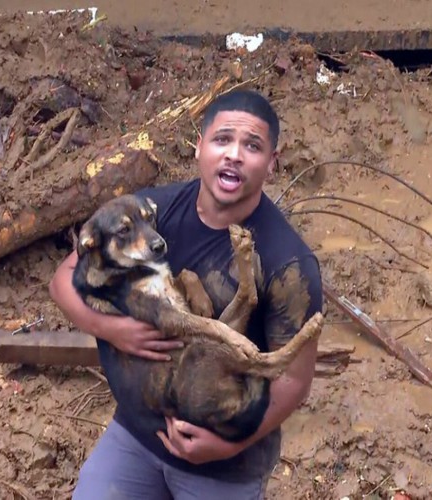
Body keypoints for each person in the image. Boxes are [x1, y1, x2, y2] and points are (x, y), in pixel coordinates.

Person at [48, 89, 324, 500]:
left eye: (252, 146)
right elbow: (65, 278)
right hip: (137, 436)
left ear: (272, 163)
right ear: (199, 147)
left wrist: (228, 445)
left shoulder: (289, 263)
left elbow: (295, 380)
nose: (233, 154)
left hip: (223, 467)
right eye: (222, 140)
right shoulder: (151, 212)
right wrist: (111, 329)